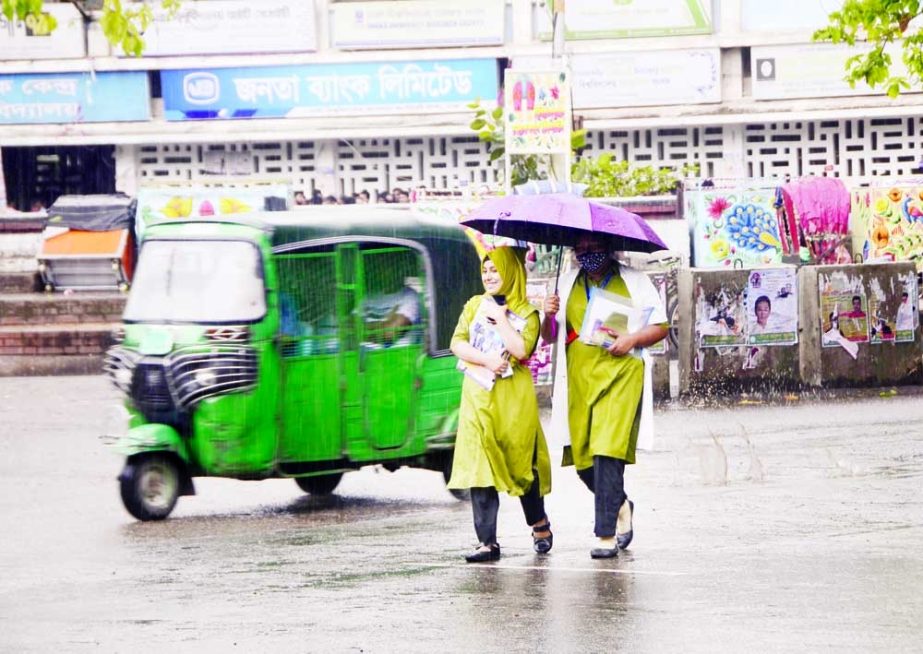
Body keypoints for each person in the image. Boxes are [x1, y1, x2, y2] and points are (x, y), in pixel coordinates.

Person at [542, 234, 668, 559]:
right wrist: (547, 315)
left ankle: (605, 534)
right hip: (580, 380)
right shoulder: (567, 282)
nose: (587, 255)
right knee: (584, 461)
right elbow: (548, 336)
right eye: (579, 250)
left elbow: (660, 326)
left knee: (606, 452)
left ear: (609, 249)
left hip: (621, 375)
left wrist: (632, 339)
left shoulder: (635, 281)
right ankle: (621, 504)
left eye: (594, 249)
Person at [448, 246, 552, 562]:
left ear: (511, 271)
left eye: (496, 270)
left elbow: (522, 350)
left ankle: (539, 522)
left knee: (521, 464)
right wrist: (486, 359)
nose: (489, 276)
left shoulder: (529, 313)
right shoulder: (474, 305)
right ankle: (487, 542)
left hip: (513, 398)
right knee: (480, 464)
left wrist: (502, 321)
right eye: (486, 270)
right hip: (478, 393)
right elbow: (457, 342)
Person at [363, 278, 421, 347]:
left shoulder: (410, 295)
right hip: (361, 353)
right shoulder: (369, 295)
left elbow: (390, 333)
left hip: (396, 354)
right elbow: (348, 328)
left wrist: (363, 330)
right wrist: (386, 323)